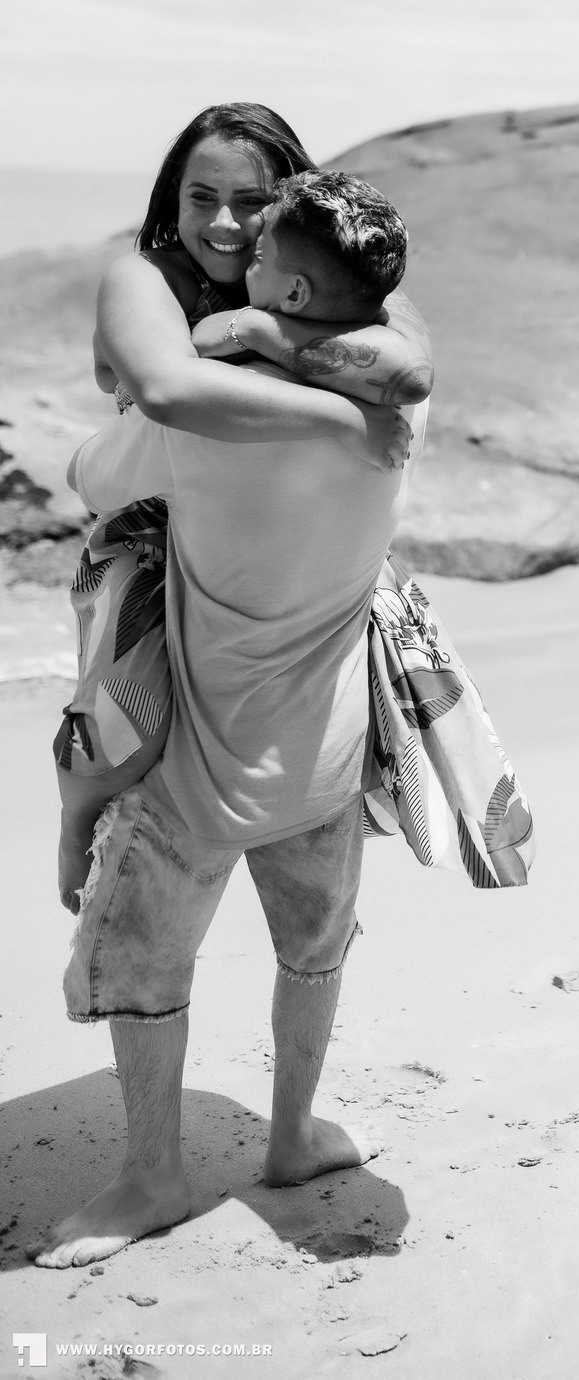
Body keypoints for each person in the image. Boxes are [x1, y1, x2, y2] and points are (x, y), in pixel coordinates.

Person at [32, 171, 426, 1269]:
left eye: (260, 252)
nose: (236, 251)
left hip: (201, 760)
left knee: (149, 967)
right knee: (314, 949)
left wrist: (180, 365)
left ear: (290, 288)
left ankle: (154, 1174)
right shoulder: (399, 416)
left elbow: (92, 475)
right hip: (328, 747)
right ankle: (294, 1137)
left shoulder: (211, 420)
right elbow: (395, 363)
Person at [53, 102, 434, 884]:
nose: (224, 224)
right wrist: (343, 417)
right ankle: (75, 823)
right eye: (202, 198)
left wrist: (263, 333)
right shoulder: (144, 279)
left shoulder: (320, 277)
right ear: (173, 200)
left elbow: (410, 368)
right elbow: (168, 389)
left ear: (287, 206)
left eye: (251, 202)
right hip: (156, 522)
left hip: (278, 543)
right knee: (122, 716)